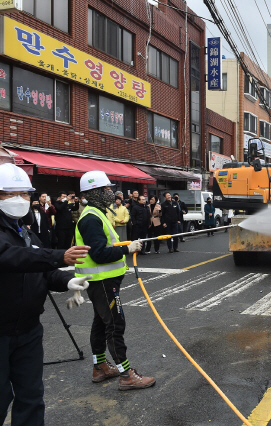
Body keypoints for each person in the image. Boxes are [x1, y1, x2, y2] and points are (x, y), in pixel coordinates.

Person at [0, 163, 92, 426]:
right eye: (9, 194)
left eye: (25, 194)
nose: (20, 200)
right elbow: (11, 257)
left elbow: (41, 270)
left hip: (28, 330)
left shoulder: (25, 231)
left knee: (31, 396)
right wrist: (58, 256)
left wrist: (69, 280)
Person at [76, 170, 155, 391]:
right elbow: (99, 254)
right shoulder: (91, 217)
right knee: (115, 325)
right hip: (103, 281)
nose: (111, 192)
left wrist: (125, 245)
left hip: (104, 280)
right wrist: (127, 249)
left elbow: (105, 246)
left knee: (101, 323)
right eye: (107, 189)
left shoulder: (96, 213)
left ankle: (100, 367)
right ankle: (126, 374)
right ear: (95, 193)